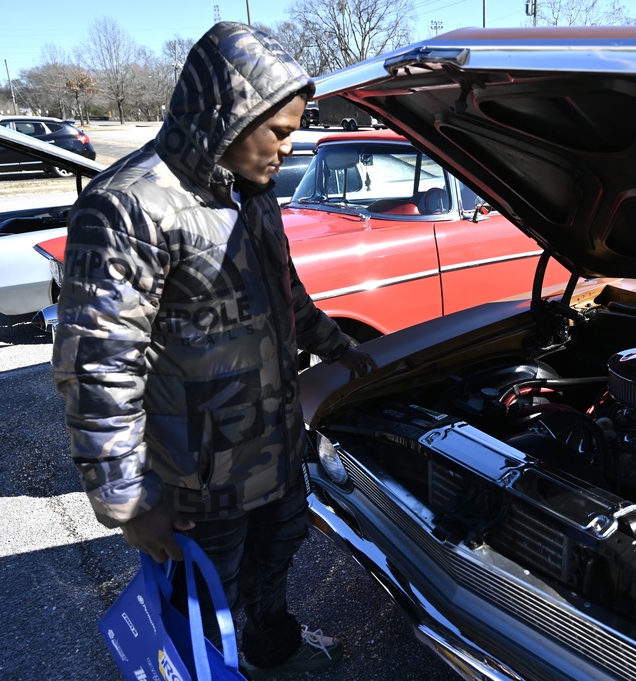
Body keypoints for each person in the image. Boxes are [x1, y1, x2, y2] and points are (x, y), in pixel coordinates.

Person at [52, 21, 376, 678]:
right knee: (203, 605)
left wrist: (338, 345)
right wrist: (127, 500)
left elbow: (287, 292)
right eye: (279, 132)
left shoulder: (251, 192)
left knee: (276, 559)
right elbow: (96, 366)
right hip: (196, 477)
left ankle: (274, 649)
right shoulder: (126, 208)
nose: (290, 148)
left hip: (273, 448)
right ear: (228, 115)